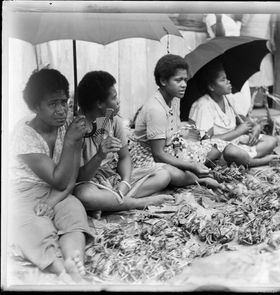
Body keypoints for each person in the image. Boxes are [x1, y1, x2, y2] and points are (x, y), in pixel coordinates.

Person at [9, 68, 93, 283]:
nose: (61, 110)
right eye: (52, 104)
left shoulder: (68, 125)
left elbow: (70, 178)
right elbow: (57, 177)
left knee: (75, 214)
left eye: (64, 102)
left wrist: (52, 200)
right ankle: (59, 269)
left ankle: (74, 261)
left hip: (59, 190)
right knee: (32, 225)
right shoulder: (24, 135)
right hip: (24, 191)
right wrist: (70, 142)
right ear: (36, 107)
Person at [73, 71, 174, 213]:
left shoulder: (113, 120)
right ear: (100, 103)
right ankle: (137, 203)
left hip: (112, 176)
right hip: (90, 182)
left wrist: (125, 182)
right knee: (84, 195)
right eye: (114, 98)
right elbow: (79, 177)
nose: (118, 101)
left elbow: (124, 157)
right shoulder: (76, 129)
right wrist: (100, 156)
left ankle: (112, 201)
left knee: (163, 175)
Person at [129, 54, 228, 188]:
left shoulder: (175, 98)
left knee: (214, 150)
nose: (184, 85)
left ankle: (194, 174)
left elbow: (173, 131)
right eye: (178, 80)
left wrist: (187, 135)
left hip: (171, 147)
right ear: (163, 81)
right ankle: (198, 179)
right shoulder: (155, 109)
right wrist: (191, 165)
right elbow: (158, 154)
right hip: (148, 156)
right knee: (171, 173)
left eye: (185, 80)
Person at [189, 61, 279, 167]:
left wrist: (256, 127)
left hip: (235, 143)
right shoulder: (203, 105)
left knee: (271, 141)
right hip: (220, 150)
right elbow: (207, 141)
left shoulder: (228, 98)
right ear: (211, 87)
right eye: (223, 80)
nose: (228, 82)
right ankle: (255, 162)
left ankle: (244, 159)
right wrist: (237, 132)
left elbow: (243, 119)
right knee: (232, 152)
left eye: (227, 78)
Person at [205, 13, 252, 117]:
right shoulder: (212, 15)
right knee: (229, 88)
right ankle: (232, 117)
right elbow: (220, 36)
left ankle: (241, 116)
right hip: (223, 54)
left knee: (242, 90)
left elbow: (236, 35)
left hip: (236, 54)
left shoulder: (232, 15)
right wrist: (219, 18)